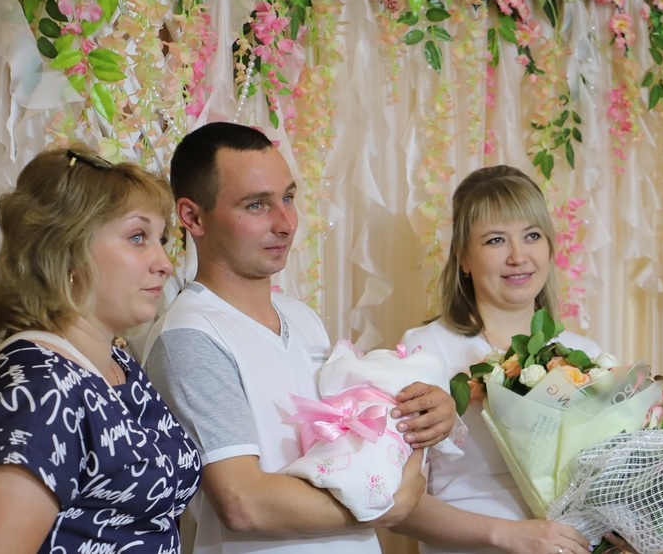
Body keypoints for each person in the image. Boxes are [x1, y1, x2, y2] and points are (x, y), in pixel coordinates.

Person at [145, 122, 457, 554]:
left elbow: (351, 446)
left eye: (288, 198)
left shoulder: (302, 316)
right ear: (192, 217)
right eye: (257, 205)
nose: (286, 223)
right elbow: (243, 502)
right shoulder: (190, 334)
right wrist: (382, 504)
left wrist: (423, 413)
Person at [0, 147, 201, 553]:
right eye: (137, 238)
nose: (164, 263)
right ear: (66, 250)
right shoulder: (41, 387)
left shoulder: (117, 363)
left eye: (160, 240)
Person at [395, 165, 597, 554]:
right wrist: (510, 534)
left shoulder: (586, 355)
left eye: (532, 235)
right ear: (463, 258)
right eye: (496, 240)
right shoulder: (426, 349)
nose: (518, 256)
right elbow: (397, 505)